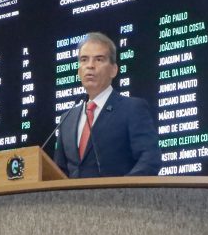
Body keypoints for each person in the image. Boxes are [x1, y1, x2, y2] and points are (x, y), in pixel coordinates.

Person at [53, 32, 161, 178]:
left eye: (99, 59)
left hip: (117, 199)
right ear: (79, 71)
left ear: (113, 70)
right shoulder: (67, 119)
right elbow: (59, 171)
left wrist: (120, 191)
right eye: (84, 60)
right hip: (71, 200)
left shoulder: (132, 109)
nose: (90, 66)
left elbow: (150, 159)